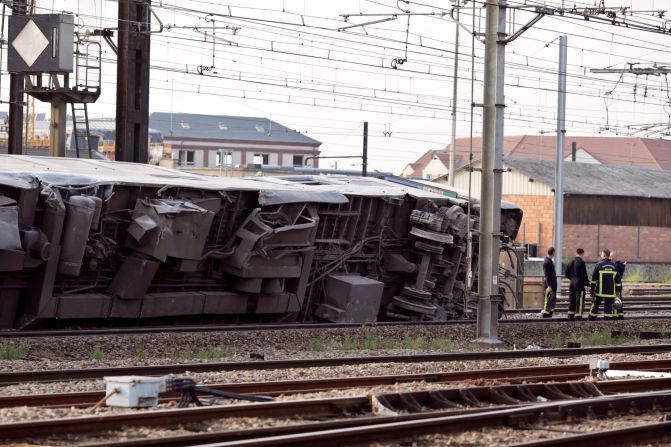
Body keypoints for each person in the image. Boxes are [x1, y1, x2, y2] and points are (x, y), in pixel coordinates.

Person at [588, 248, 622, 321]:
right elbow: (618, 282)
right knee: (608, 309)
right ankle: (607, 323)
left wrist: (592, 290)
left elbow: (593, 280)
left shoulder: (598, 265)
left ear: (603, 255)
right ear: (609, 255)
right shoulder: (614, 266)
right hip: (610, 293)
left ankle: (591, 320)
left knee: (595, 306)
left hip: (599, 292)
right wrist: (618, 292)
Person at [565, 248, 589, 321]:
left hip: (572, 283)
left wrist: (572, 279)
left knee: (572, 300)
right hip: (579, 284)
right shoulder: (581, 262)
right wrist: (587, 284)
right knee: (580, 300)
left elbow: (566, 274)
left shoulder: (570, 262)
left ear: (576, 253)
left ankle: (570, 316)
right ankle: (578, 316)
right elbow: (584, 275)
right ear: (582, 253)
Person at [541, 246, 557, 318]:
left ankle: (549, 313)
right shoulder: (547, 262)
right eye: (554, 253)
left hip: (552, 284)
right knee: (548, 299)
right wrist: (549, 286)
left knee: (552, 299)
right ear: (553, 253)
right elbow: (546, 275)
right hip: (549, 284)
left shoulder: (549, 261)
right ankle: (546, 314)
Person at [612, 251, 626, 319]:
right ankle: (620, 315)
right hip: (619, 284)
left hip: (615, 284)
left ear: (614, 257)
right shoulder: (621, 265)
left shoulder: (616, 266)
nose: (610, 258)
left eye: (611, 257)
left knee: (615, 300)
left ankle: (615, 316)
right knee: (619, 300)